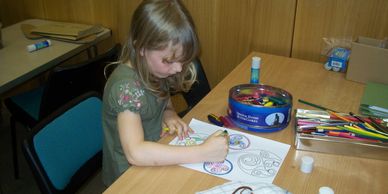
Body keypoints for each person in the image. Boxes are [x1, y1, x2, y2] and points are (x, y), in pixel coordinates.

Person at [102, 0, 229, 186]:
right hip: (128, 178)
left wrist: (169, 113)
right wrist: (201, 152)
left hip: (156, 156)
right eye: (169, 61)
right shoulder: (125, 89)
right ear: (141, 48)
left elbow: (163, 97)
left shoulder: (154, 69)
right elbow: (135, 153)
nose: (178, 69)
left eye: (181, 60)